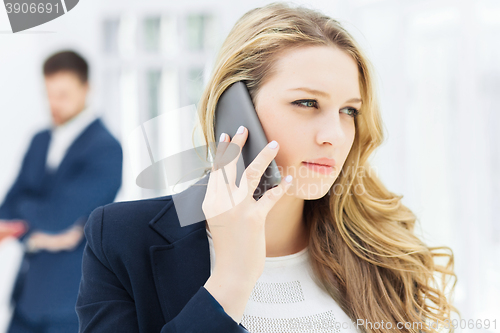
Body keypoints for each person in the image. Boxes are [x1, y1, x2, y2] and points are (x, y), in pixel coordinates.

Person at [76, 3, 460, 333]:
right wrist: (230, 281)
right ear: (233, 110)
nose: (335, 136)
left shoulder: (385, 251)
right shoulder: (121, 241)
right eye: (307, 103)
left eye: (348, 111)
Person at [0, 50, 123, 332]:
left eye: (63, 95)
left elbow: (57, 217)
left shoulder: (106, 149)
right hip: (26, 298)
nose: (53, 103)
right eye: (49, 94)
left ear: (86, 89)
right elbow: (7, 207)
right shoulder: (39, 140)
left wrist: (29, 211)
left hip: (71, 300)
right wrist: (40, 238)